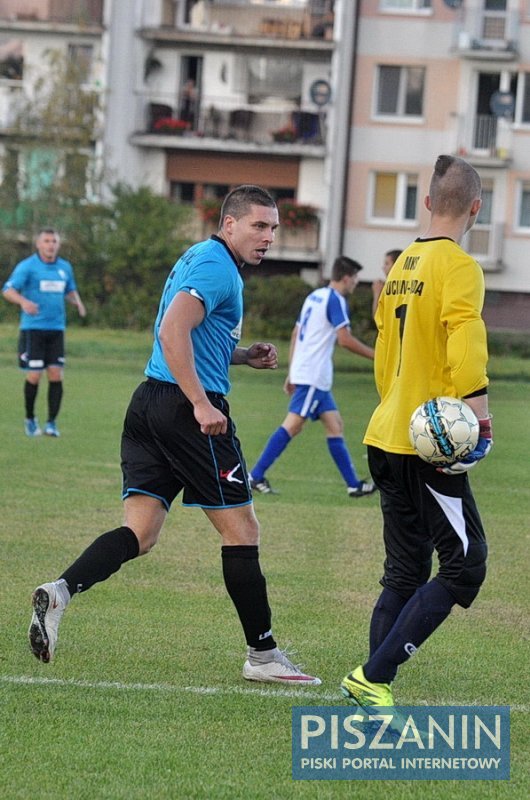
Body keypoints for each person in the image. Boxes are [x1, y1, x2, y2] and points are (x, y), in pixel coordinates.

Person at [28, 185, 321, 686]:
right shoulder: (216, 267)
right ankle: (264, 655)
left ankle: (60, 592)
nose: (269, 236)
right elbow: (171, 331)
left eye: (273, 227)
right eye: (258, 225)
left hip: (150, 403)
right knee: (242, 530)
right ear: (229, 224)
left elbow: (191, 335)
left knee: (140, 534)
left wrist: (243, 354)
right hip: (187, 412)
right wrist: (202, 403)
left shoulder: (200, 257)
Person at [341, 155, 492, 712]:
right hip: (428, 443)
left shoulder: (401, 264)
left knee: (406, 569)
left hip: (387, 431)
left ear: (427, 203)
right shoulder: (459, 266)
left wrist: (399, 406)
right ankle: (373, 675)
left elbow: (386, 357)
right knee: (466, 562)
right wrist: (477, 416)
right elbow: (465, 337)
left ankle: (371, 684)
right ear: (476, 208)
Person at [249, 256, 376, 498]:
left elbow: (297, 332)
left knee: (335, 425)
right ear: (347, 277)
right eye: (356, 278)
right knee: (294, 424)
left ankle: (353, 485)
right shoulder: (335, 300)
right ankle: (254, 476)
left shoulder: (314, 296)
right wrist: (378, 356)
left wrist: (292, 371)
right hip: (313, 375)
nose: (355, 283)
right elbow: (345, 340)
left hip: (310, 374)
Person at [2, 228, 86, 437]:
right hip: (33, 330)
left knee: (56, 374)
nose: (51, 245)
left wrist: (78, 302)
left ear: (58, 245)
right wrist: (23, 302)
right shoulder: (28, 267)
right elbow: (8, 290)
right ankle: (30, 419)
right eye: (47, 241)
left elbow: (69, 289)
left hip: (56, 329)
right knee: (34, 375)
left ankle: (51, 423)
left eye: (54, 241)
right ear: (39, 244)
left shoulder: (65, 267)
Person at [371, 248, 402, 317]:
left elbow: (377, 317)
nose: (383, 267)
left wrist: (377, 293)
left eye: (387, 264)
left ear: (396, 265)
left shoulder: (392, 288)